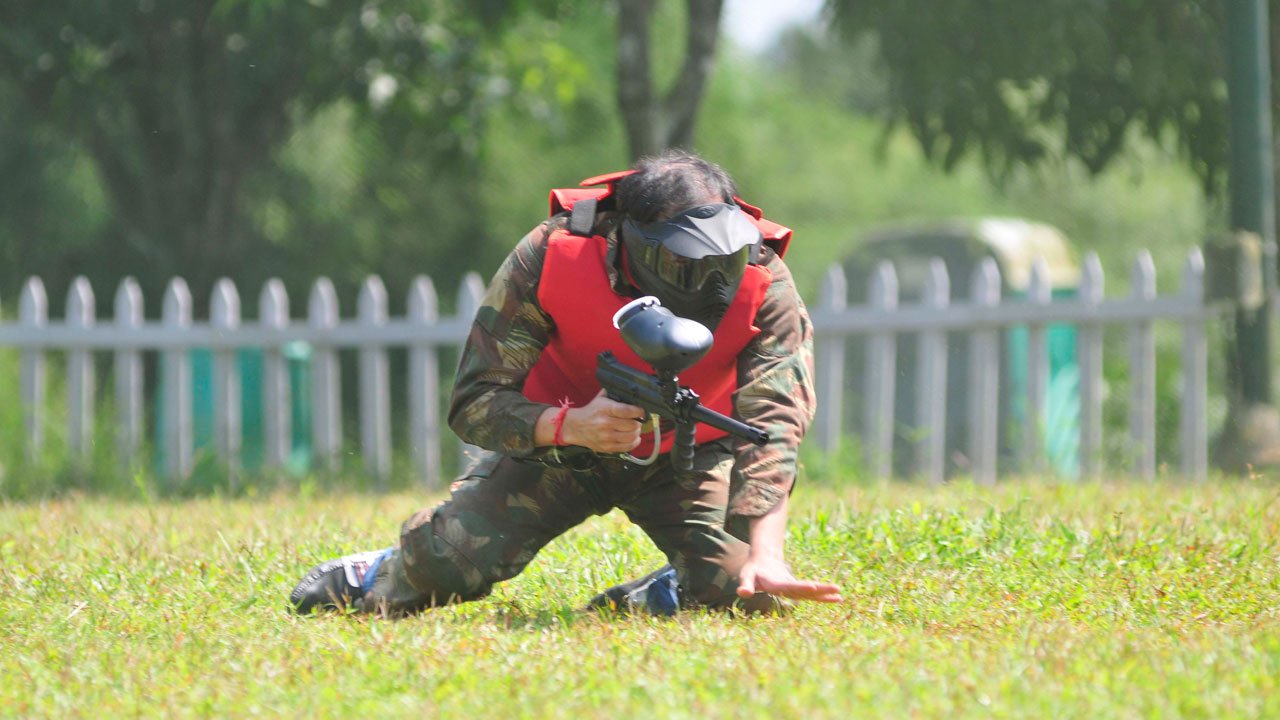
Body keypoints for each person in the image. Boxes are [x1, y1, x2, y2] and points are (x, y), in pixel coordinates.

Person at [289, 150, 841, 616]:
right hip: (558, 449)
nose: (711, 282)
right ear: (633, 241)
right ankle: (382, 569)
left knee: (746, 590)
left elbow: (773, 421)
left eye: (724, 258)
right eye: (685, 263)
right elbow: (474, 401)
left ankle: (664, 592)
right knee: (451, 565)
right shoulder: (554, 252)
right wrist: (569, 425)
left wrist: (765, 553)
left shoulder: (764, 278)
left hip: (686, 456)